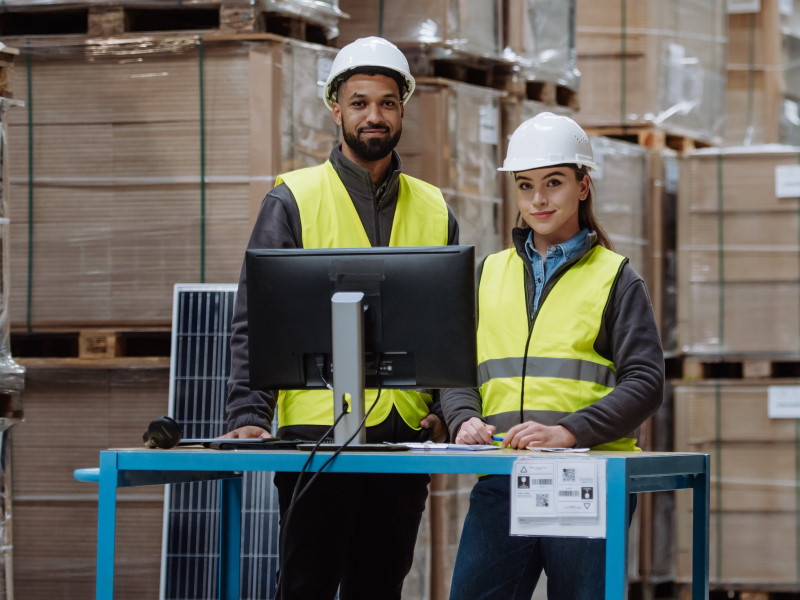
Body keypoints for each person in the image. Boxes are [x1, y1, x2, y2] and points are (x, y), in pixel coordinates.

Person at [222, 36, 459, 600]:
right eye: (359, 102)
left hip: (402, 440)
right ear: (336, 109)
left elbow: (451, 325)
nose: (373, 115)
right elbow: (255, 316)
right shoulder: (293, 200)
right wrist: (248, 412)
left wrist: (444, 409)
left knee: (380, 587)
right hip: (317, 438)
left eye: (386, 102)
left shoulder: (434, 206)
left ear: (403, 108)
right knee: (307, 585)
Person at [440, 112, 664, 600]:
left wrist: (568, 432)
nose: (538, 199)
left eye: (554, 183)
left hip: (584, 483)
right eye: (525, 186)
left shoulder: (616, 279)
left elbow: (646, 381)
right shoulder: (488, 273)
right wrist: (462, 417)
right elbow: (455, 367)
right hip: (503, 476)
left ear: (583, 187)